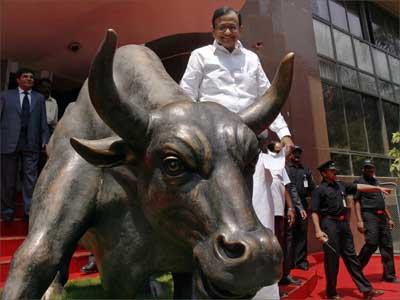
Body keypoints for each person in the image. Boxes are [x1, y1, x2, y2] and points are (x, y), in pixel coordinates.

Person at [179, 7, 293, 299]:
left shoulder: (251, 59)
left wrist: (284, 133)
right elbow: (186, 95)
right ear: (213, 29)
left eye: (232, 27)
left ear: (240, 29)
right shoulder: (200, 56)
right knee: (219, 217)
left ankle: (264, 293)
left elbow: (268, 96)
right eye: (222, 27)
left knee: (260, 212)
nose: (228, 32)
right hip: (214, 147)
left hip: (247, 145)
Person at [311, 160, 390, 299]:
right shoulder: (319, 190)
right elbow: (314, 211)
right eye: (332, 171)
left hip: (343, 225)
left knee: (352, 257)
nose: (335, 172)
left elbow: (359, 187)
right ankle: (331, 292)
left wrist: (378, 188)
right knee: (332, 259)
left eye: (335, 170)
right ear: (324, 173)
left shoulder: (341, 185)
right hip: (329, 224)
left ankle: (366, 290)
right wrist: (318, 230)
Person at [1, 68, 49, 221]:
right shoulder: (5, 96)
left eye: (31, 77)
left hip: (31, 144)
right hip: (8, 142)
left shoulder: (39, 98)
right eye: (25, 76)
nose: (29, 79)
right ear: (18, 80)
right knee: (8, 180)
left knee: (30, 180)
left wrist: (45, 139)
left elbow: (43, 121)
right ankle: (7, 211)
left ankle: (29, 212)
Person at [354, 159, 399, 283]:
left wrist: (389, 218)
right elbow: (357, 202)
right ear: (363, 169)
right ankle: (356, 267)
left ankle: (389, 275)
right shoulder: (359, 182)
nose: (370, 170)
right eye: (367, 168)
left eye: (371, 168)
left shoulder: (376, 182)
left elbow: (382, 203)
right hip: (369, 215)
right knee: (372, 243)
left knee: (387, 246)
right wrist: (359, 221)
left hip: (381, 216)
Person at [286, 146, 315, 270]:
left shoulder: (306, 170)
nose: (297, 155)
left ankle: (301, 261)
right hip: (288, 205)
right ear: (290, 155)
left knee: (302, 234)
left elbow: (312, 187)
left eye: (299, 153)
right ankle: (290, 262)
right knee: (290, 234)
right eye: (294, 153)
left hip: (302, 204)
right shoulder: (286, 169)